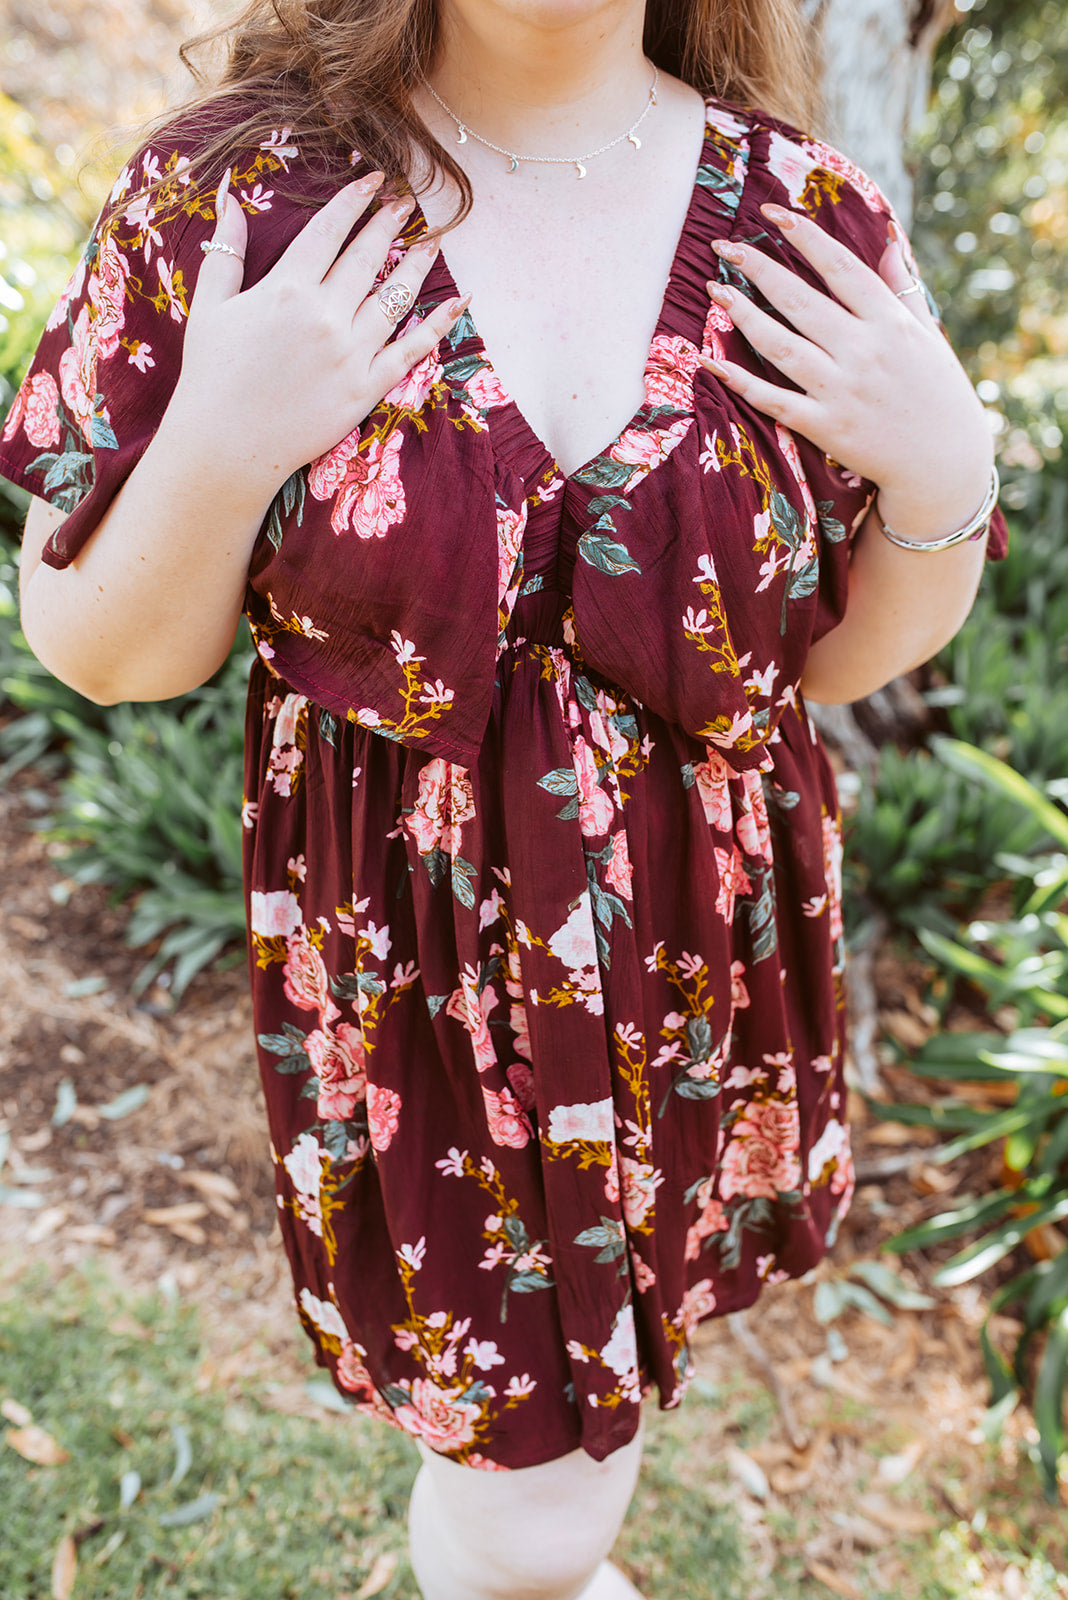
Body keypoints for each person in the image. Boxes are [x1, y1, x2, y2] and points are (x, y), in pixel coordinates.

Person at [1, 0, 1008, 1594]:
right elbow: (100, 648)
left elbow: (826, 665)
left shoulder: (801, 216)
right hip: (419, 1002)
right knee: (530, 1499)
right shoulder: (245, 197)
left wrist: (950, 475)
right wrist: (221, 440)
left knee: (568, 1458)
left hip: (696, 977)